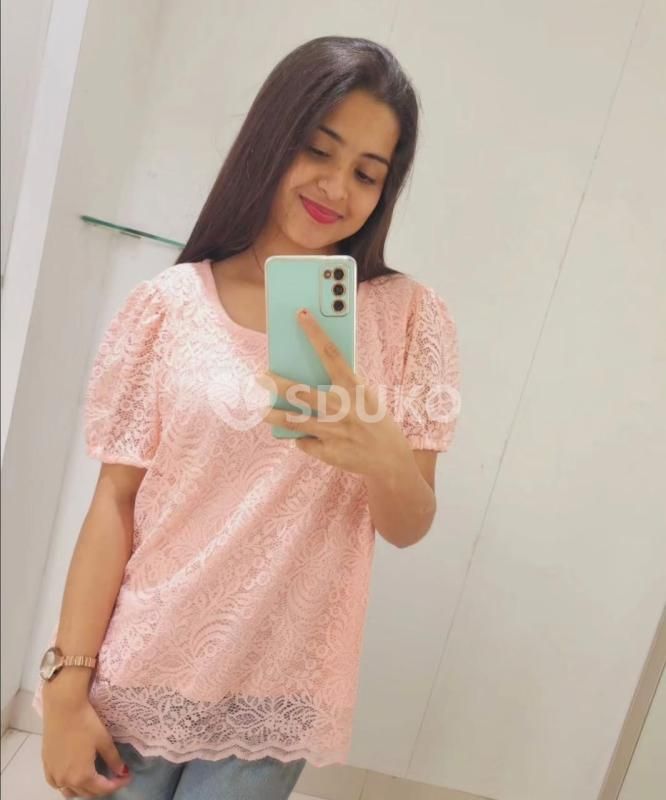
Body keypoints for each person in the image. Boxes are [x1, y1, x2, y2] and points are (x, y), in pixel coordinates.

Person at [32, 35, 461, 799]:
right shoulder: (168, 305)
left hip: (275, 695)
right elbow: (114, 505)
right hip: (140, 669)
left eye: (367, 173)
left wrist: (383, 455)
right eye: (318, 150)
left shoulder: (407, 320)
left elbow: (409, 523)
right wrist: (66, 687)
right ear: (270, 138)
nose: (337, 187)